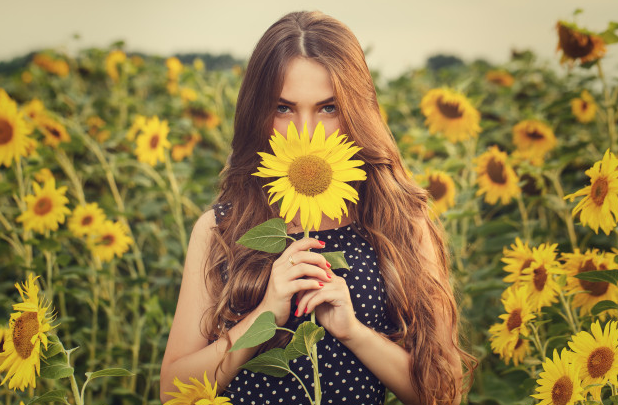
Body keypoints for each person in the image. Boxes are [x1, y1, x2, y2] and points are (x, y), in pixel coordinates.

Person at [160, 10, 475, 405]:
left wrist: (354, 333)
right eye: (283, 108)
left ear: (356, 110)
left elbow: (444, 392)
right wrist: (265, 317)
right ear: (258, 113)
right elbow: (173, 391)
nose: (305, 131)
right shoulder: (220, 229)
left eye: (328, 108)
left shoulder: (399, 220)